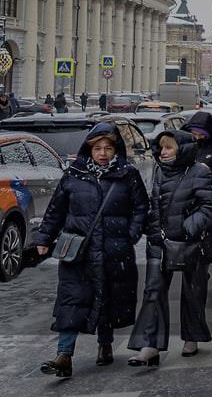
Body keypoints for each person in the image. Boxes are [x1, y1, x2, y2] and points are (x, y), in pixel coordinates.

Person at [33, 123, 149, 378]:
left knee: (107, 297)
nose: (103, 153)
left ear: (116, 149)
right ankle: (64, 355)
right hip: (79, 251)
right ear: (89, 149)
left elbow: (141, 207)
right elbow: (56, 209)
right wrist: (44, 238)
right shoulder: (74, 174)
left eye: (108, 148)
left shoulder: (127, 174)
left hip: (113, 249)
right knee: (72, 300)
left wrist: (130, 234)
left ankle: (105, 344)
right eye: (97, 148)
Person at [127, 131, 212, 366]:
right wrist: (151, 228)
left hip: (194, 242)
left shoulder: (200, 172)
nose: (163, 152)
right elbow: (155, 204)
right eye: (161, 147)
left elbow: (211, 205)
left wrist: (190, 227)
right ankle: (149, 345)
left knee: (193, 291)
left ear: (183, 149)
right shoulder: (160, 171)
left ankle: (192, 336)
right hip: (160, 240)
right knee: (153, 291)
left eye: (169, 147)